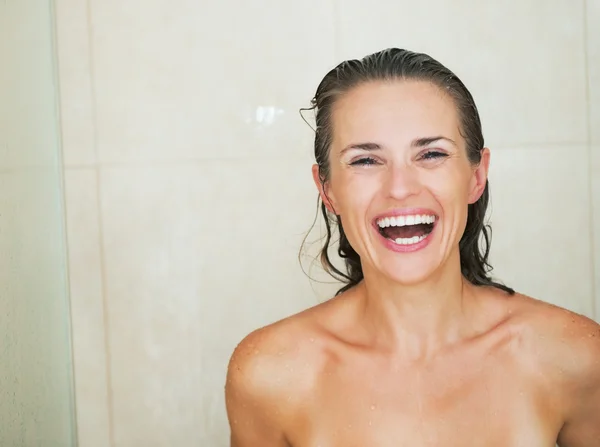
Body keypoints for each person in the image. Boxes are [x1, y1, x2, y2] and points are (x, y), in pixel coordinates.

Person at [224, 48, 600, 446]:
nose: (400, 188)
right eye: (366, 160)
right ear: (328, 190)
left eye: (432, 154)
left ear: (476, 176)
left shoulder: (574, 358)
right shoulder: (269, 375)